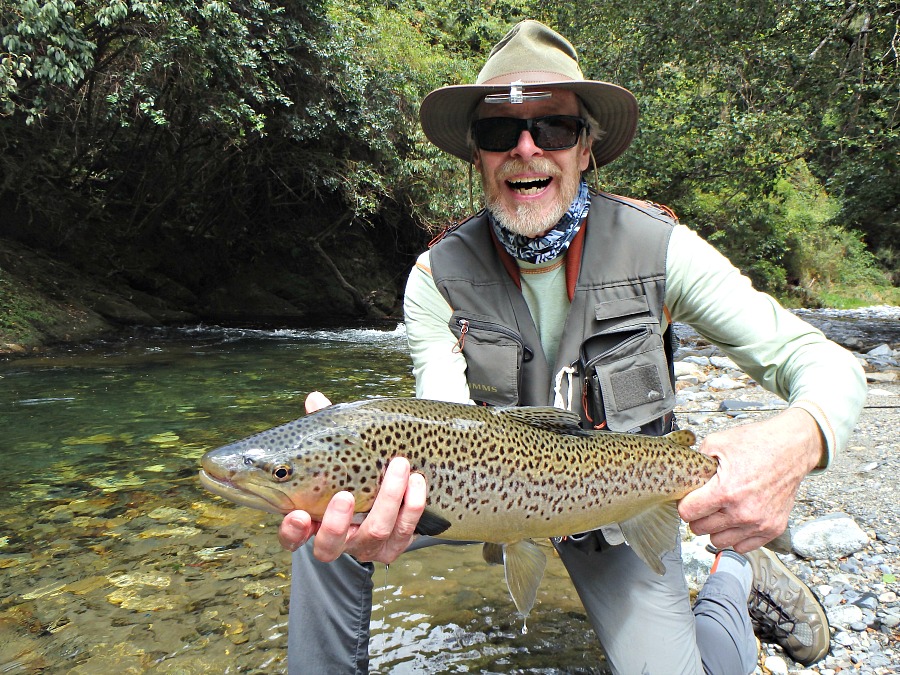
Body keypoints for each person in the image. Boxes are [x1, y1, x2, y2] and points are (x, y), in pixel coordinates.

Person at [278, 20, 867, 674]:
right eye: (502, 131)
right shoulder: (434, 278)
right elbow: (439, 421)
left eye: (554, 128)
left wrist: (796, 440)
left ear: (586, 148)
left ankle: (733, 576)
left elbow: (828, 366)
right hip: (492, 502)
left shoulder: (661, 251)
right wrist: (369, 488)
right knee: (323, 518)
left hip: (624, 509)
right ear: (478, 154)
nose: (527, 148)